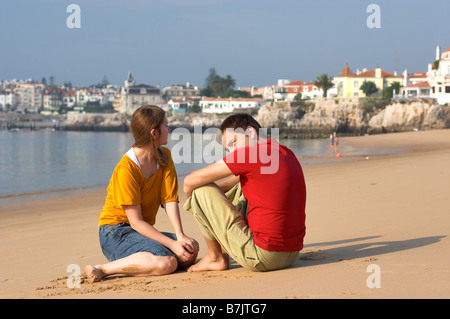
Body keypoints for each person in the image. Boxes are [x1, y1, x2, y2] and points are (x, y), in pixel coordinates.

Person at [85, 105, 199, 282]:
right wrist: (172, 244)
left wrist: (180, 236)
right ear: (154, 133)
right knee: (166, 263)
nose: (168, 129)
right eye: (165, 126)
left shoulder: (165, 156)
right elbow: (136, 222)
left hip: (140, 232)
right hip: (115, 232)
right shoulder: (127, 169)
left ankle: (149, 257)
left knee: (191, 249)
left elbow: (169, 200)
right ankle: (102, 269)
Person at [183, 113, 306, 272]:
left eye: (233, 143)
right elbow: (236, 181)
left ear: (250, 132)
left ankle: (215, 258)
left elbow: (189, 182)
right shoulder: (285, 152)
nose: (232, 152)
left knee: (199, 190)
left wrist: (198, 202)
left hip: (264, 256)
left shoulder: (251, 155)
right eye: (228, 149)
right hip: (291, 252)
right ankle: (225, 246)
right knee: (240, 183)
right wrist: (212, 202)